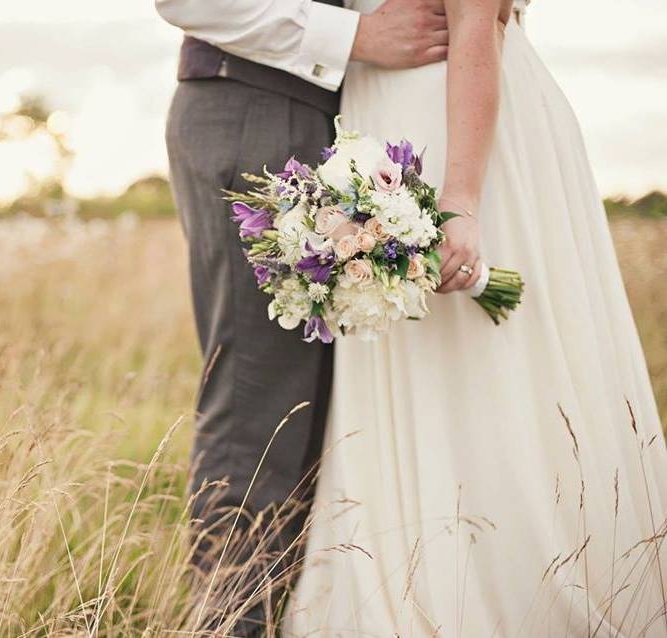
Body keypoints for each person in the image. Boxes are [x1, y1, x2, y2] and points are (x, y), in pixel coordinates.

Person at [284, 0, 667, 635]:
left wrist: (460, 198)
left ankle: (508, 591)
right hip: (384, 119)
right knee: (419, 363)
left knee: (492, 365)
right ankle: (407, 578)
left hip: (456, 130)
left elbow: (473, 24)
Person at [156, 0, 451, 634]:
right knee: (257, 410)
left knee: (312, 420)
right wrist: (357, 34)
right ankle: (231, 627)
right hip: (254, 108)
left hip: (325, 118)